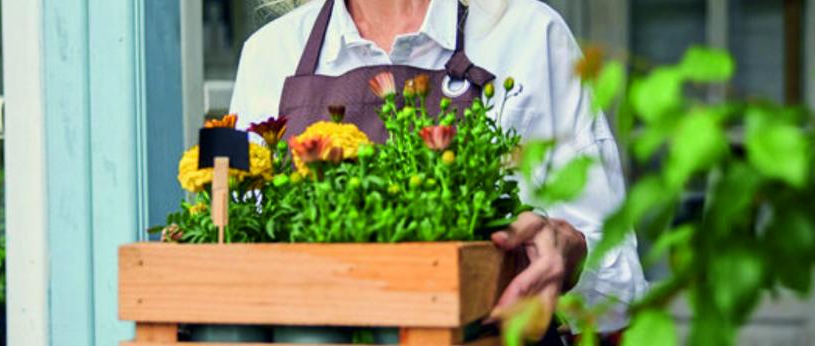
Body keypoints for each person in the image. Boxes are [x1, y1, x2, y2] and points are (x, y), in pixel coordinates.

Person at [228, 0, 648, 340]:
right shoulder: (270, 53)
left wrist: (569, 249)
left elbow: (616, 289)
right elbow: (236, 259)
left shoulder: (528, 34)